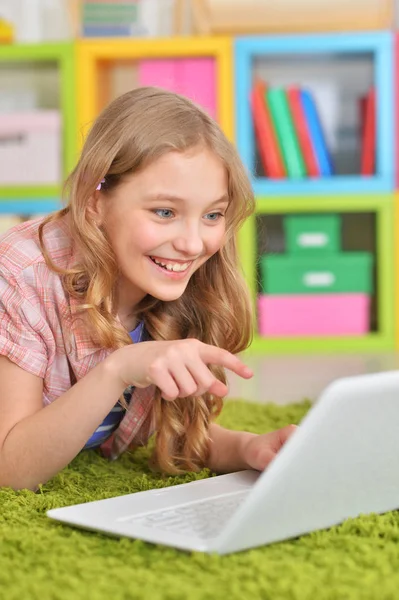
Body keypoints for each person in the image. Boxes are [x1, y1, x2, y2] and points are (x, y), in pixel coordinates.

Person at [0, 87, 295, 491]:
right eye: (164, 212)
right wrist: (119, 368)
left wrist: (248, 448)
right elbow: (10, 471)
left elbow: (175, 434)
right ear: (94, 202)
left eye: (212, 214)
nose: (193, 244)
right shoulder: (21, 273)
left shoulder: (174, 285)